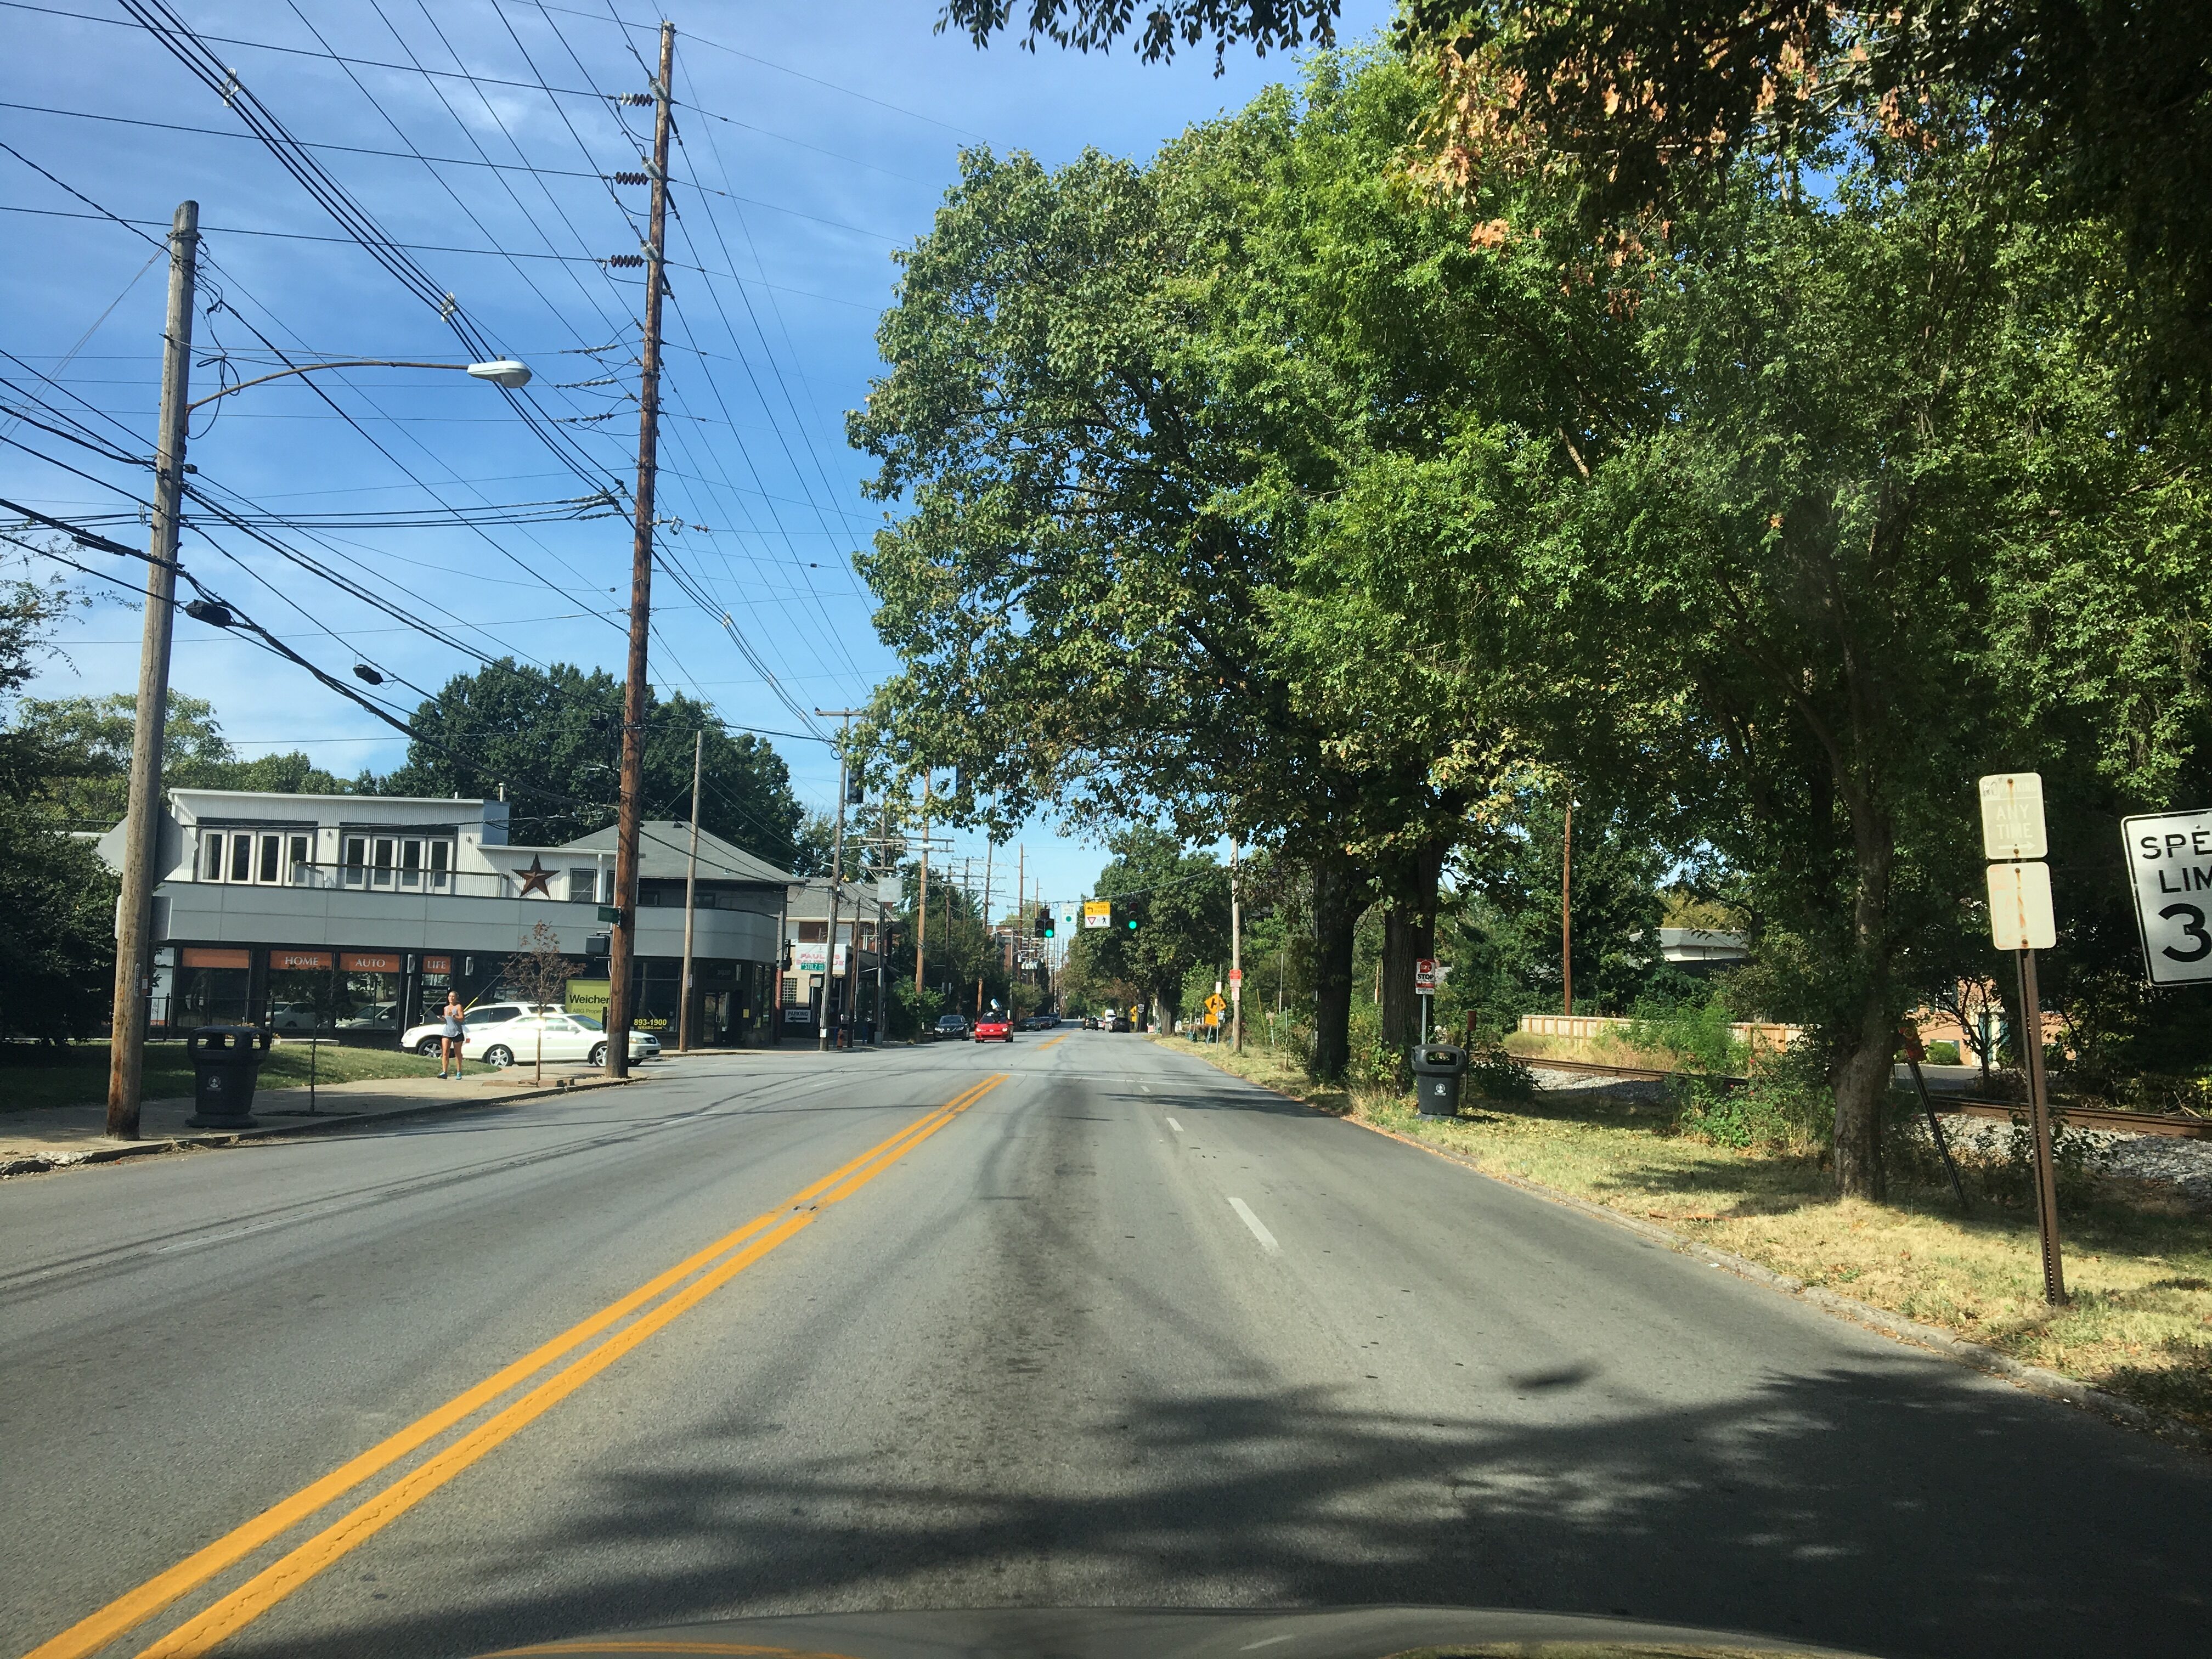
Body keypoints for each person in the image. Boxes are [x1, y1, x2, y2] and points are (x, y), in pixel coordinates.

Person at [438, 990, 465, 1079]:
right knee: (445, 1052)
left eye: (453, 996)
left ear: (456, 998)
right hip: (447, 1032)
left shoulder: (458, 1007)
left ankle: (459, 1072)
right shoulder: (446, 1008)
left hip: (457, 1032)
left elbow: (462, 1019)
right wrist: (442, 1019)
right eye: (450, 996)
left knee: (458, 1053)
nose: (451, 998)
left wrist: (454, 1016)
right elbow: (446, 1020)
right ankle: (444, 1072)